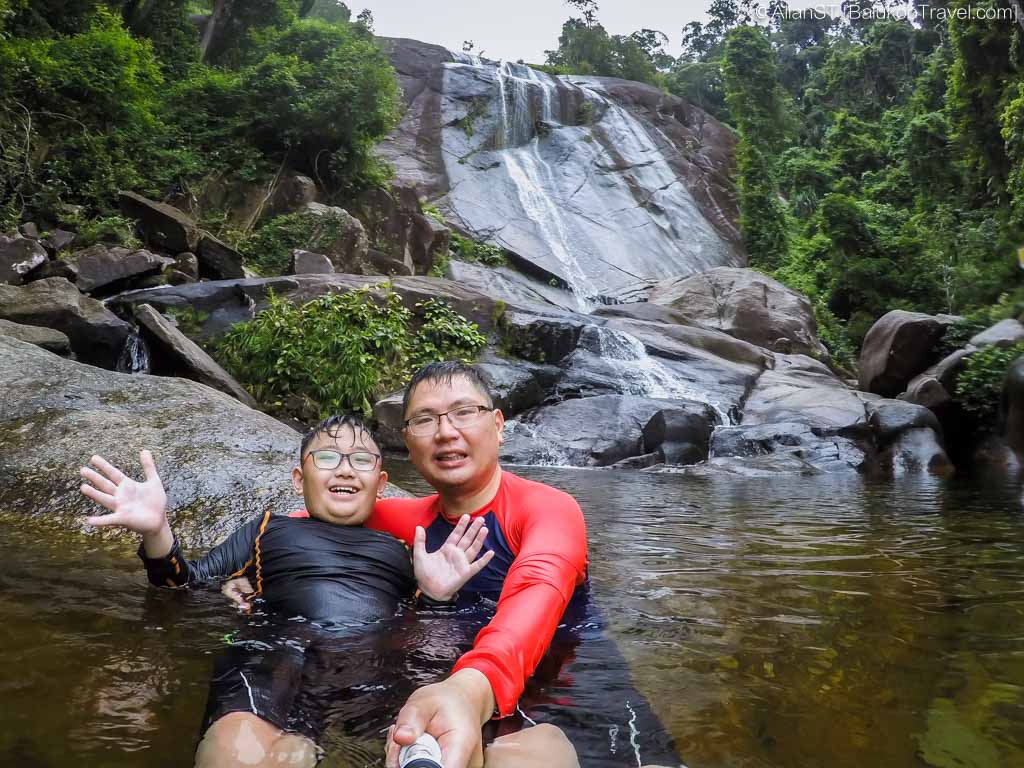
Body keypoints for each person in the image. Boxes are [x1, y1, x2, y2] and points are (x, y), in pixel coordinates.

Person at [225, 363, 678, 767]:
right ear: (408, 441)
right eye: (425, 419)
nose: (445, 432)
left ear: (497, 426)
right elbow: (309, 519)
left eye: (464, 412)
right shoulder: (402, 518)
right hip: (461, 675)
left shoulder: (547, 508)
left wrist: (471, 686)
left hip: (564, 667)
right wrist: (245, 570)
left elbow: (540, 585)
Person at [79, 413, 580, 768]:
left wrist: (437, 596)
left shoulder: (404, 549)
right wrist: (157, 532)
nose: (344, 468)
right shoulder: (268, 529)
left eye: (361, 460)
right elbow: (182, 587)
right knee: (240, 743)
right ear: (299, 477)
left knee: (528, 747)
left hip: (380, 658)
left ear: (381, 482)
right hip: (281, 648)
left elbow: (420, 626)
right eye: (327, 457)